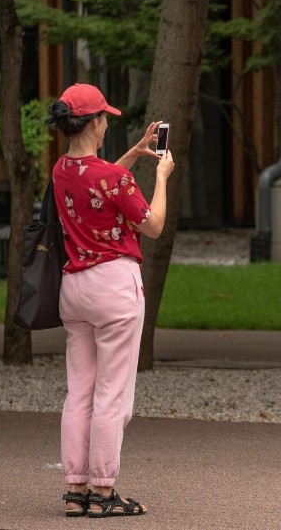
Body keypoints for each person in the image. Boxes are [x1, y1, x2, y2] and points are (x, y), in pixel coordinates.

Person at [45, 83, 175, 516]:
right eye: (104, 118)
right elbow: (153, 225)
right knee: (111, 395)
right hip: (114, 288)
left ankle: (76, 489)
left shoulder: (61, 169)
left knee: (79, 391)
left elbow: (96, 184)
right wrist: (159, 176)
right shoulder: (113, 178)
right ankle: (103, 493)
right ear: (94, 122)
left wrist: (136, 153)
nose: (106, 125)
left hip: (74, 289)